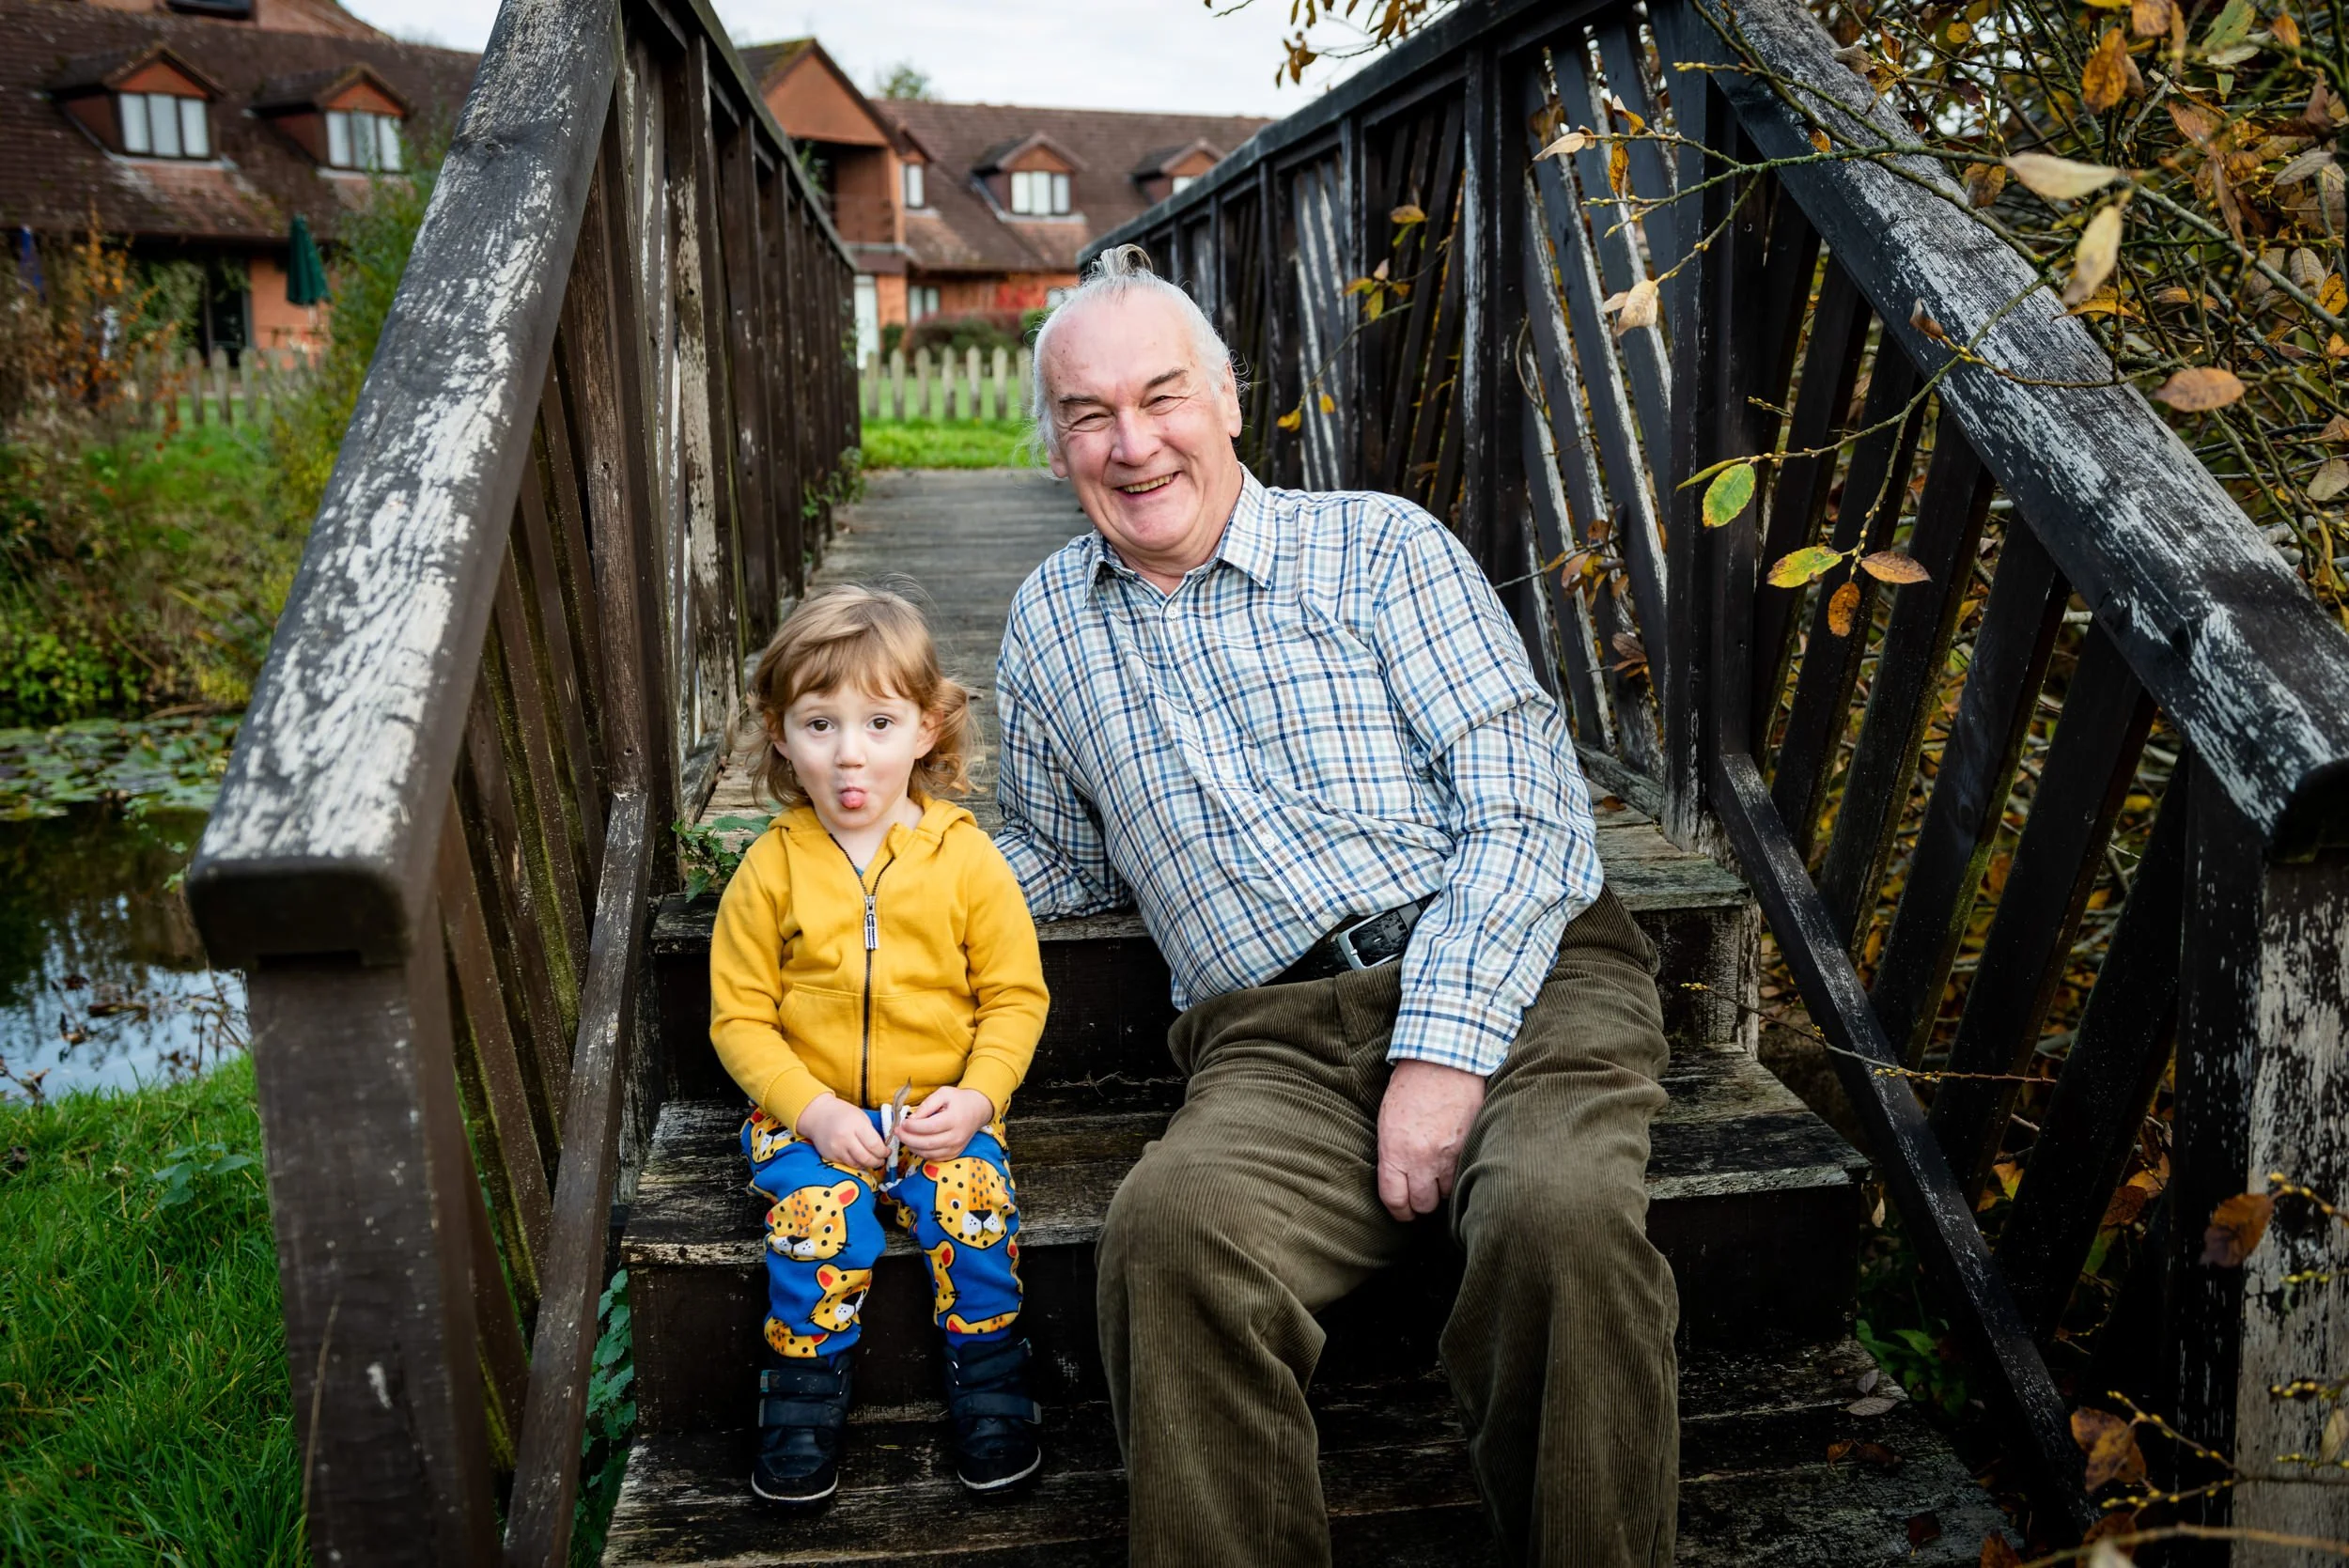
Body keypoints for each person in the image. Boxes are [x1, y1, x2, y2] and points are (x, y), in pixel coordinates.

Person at [991, 245, 1678, 1566]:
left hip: (1519, 972)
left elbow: (1529, 808)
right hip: (1272, 1043)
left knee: (1555, 1215)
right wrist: (873, 880)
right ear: (1060, 440)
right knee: (1168, 1234)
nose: (1133, 445)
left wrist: (1443, 1045)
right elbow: (1056, 859)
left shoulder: (1377, 547)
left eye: (1163, 396)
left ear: (1232, 399)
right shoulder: (1044, 628)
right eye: (1090, 415)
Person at [708, 584, 1050, 1506]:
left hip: (939, 1111)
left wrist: (978, 1098)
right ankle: (802, 1395)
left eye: (878, 721)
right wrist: (812, 1109)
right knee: (817, 1220)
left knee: (972, 1209)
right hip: (810, 1117)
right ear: (779, 733)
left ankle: (989, 1384)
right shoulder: (770, 868)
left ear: (929, 727)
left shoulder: (969, 860)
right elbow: (739, 1017)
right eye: (820, 723)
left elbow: (1015, 998)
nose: (850, 751)